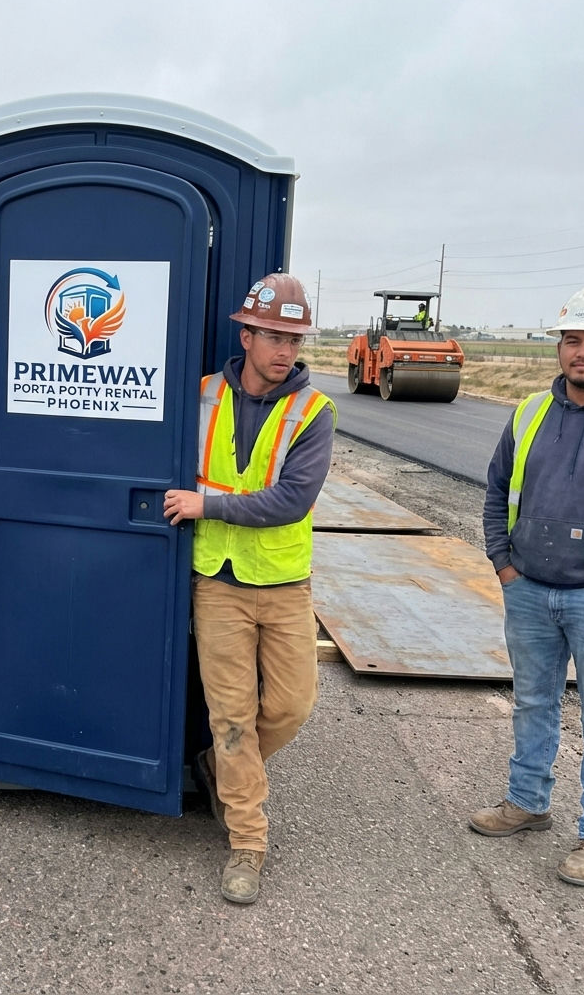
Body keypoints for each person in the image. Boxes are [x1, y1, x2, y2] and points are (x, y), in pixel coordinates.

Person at [163, 273, 336, 904]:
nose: (285, 349)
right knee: (230, 714)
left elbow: (292, 500)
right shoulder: (204, 395)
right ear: (247, 334)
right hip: (218, 585)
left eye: (293, 338)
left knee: (291, 707)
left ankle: (217, 768)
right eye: (272, 335)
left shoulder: (314, 412)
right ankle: (248, 842)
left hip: (285, 584)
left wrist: (205, 505)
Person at [471, 284, 584, 887]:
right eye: (573, 340)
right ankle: (527, 803)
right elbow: (497, 489)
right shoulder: (528, 412)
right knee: (534, 703)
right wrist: (503, 562)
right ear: (558, 346)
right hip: (527, 589)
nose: (583, 352)